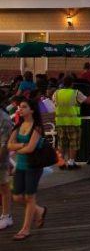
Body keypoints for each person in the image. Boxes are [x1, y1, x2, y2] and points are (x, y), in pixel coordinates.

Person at [6, 98, 48, 241]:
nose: (20, 109)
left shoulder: (36, 127)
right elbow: (9, 146)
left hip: (33, 166)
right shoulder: (18, 126)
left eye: (24, 107)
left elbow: (31, 149)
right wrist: (22, 145)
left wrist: (18, 146)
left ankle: (25, 229)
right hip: (21, 166)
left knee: (30, 197)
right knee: (17, 196)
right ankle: (39, 210)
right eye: (20, 107)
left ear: (32, 110)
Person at [53, 75, 90, 169]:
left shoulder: (56, 93)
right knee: (73, 143)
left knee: (61, 143)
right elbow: (88, 101)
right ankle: (71, 163)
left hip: (60, 122)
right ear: (72, 84)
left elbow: (55, 104)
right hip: (73, 122)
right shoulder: (76, 93)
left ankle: (62, 162)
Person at [0, 105, 14, 231]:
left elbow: (4, 144)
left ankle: (6, 215)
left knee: (3, 186)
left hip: (1, 159)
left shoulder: (4, 118)